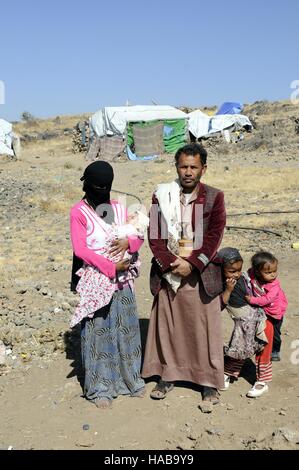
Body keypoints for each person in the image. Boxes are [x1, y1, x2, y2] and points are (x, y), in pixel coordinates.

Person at [142, 143, 226, 407]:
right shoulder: (162, 195)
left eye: (193, 167)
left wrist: (192, 263)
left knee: (202, 328)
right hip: (169, 273)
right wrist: (169, 262)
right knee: (170, 327)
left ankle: (207, 381)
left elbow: (214, 236)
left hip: (199, 273)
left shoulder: (214, 196)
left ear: (203, 168)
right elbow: (154, 235)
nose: (188, 172)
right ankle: (168, 375)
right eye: (183, 166)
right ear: (176, 167)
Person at [70, 161, 145, 408]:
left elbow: (136, 233)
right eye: (98, 186)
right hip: (97, 280)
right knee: (99, 332)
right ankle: (101, 386)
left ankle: (129, 380)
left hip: (123, 280)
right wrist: (111, 267)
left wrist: (129, 245)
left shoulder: (118, 207)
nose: (103, 190)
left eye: (107, 186)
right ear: (86, 184)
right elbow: (80, 248)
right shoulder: (79, 212)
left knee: (126, 330)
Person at [218, 248, 268, 393]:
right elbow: (222, 303)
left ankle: (229, 371)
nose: (237, 274)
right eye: (232, 271)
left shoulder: (243, 277)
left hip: (251, 313)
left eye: (239, 270)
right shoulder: (220, 282)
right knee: (240, 343)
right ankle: (228, 372)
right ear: (221, 269)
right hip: (239, 316)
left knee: (244, 342)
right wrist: (228, 289)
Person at [244, 252, 288, 396]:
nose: (273, 275)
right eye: (268, 272)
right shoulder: (254, 276)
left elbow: (266, 300)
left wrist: (251, 300)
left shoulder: (273, 284)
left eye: (274, 271)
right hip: (265, 313)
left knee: (274, 336)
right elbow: (249, 275)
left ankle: (275, 350)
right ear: (257, 271)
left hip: (275, 313)